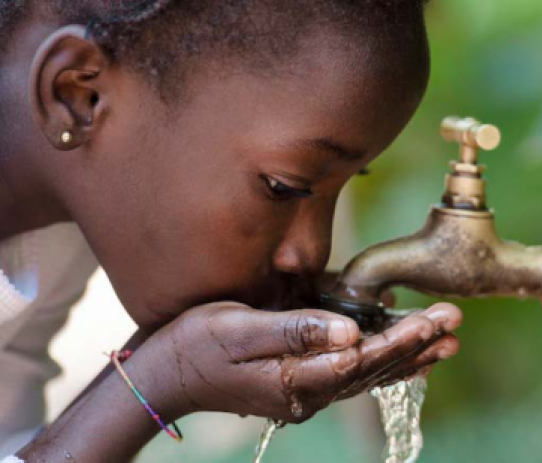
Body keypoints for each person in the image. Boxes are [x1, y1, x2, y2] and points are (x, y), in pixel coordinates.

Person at [0, 1, 463, 460]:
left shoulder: (51, 232)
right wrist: (152, 382)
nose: (310, 254)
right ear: (78, 96)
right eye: (283, 187)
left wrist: (155, 367)